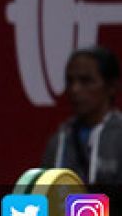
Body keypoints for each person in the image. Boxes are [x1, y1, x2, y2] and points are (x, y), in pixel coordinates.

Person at [42, 45, 122, 188]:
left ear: (111, 87)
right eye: (70, 81)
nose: (75, 89)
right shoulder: (59, 141)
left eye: (86, 81)